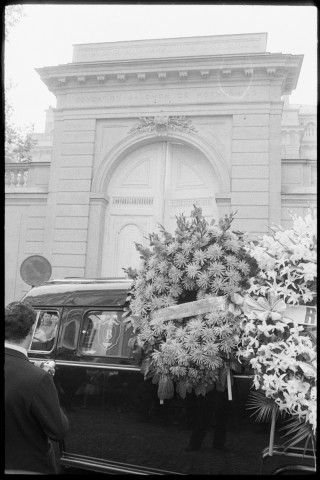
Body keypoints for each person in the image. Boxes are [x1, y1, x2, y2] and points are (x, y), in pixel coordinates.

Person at [5, 301, 69, 474]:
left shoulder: (34, 375)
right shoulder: (38, 378)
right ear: (31, 332)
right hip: (27, 467)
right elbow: (58, 431)